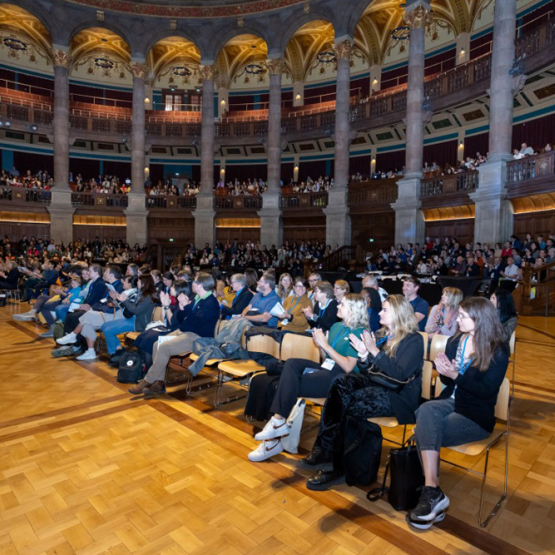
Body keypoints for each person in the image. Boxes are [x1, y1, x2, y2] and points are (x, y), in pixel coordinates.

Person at [302, 295, 424, 489]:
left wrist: (374, 352)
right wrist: (364, 356)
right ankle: (325, 450)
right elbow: (370, 370)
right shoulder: (383, 335)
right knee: (339, 383)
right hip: (377, 385)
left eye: (385, 310)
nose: (380, 312)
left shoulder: (414, 340)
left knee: (344, 403)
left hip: (398, 397)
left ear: (399, 314)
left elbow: (399, 375)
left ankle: (336, 464)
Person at [410, 297, 509, 529]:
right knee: (425, 411)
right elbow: (449, 381)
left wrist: (456, 376)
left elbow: (485, 392)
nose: (458, 319)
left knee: (424, 430)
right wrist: (445, 371)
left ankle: (432, 495)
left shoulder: (498, 350)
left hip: (476, 414)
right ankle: (433, 493)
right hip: (453, 401)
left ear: (480, 319)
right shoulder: (457, 341)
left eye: (463, 316)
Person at [247, 294, 368, 462]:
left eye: (342, 304)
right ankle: (278, 424)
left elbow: (348, 366)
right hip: (327, 368)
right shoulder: (336, 327)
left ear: (354, 310)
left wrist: (325, 344)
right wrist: (320, 345)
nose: (338, 306)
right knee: (291, 363)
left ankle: (274, 435)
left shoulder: (360, 332)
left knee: (285, 386)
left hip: (342, 378)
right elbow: (325, 358)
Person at [129, 272, 220, 396]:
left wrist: (186, 306)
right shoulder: (197, 298)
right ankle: (159, 383)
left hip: (198, 337)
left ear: (200, 285)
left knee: (164, 347)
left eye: (194, 281)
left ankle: (146, 381)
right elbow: (183, 318)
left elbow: (197, 322)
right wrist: (183, 308)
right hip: (185, 331)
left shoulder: (211, 303)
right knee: (157, 344)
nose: (191, 283)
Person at [103, 274, 158, 364]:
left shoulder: (148, 296)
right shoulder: (142, 293)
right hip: (135, 319)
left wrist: (125, 300)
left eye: (139, 281)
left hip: (140, 324)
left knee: (108, 330)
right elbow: (133, 309)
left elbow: (136, 310)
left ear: (144, 283)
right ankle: (118, 350)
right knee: (104, 326)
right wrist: (121, 300)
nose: (137, 282)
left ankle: (114, 354)